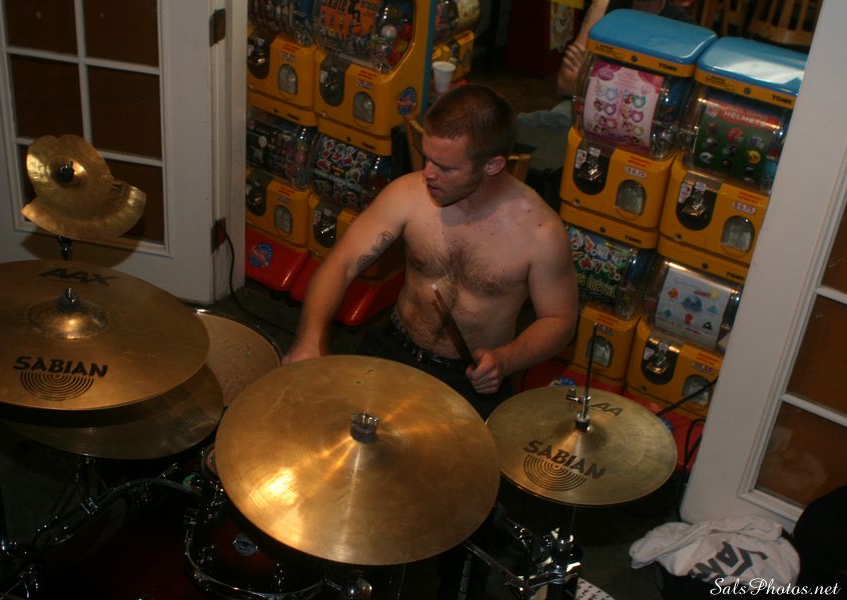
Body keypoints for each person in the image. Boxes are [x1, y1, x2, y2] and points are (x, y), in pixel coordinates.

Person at [283, 84, 578, 420]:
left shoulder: (540, 233)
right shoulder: (409, 194)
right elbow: (343, 262)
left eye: (446, 167)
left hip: (470, 377)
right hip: (393, 348)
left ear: (493, 165)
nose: (427, 173)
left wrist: (507, 359)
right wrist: (309, 339)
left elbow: (560, 321)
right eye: (427, 158)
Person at [517, 0, 697, 131]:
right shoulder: (606, 5)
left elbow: (671, 111)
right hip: (586, 109)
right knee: (539, 124)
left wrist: (594, 82)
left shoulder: (685, 29)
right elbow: (566, 84)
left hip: (641, 128)